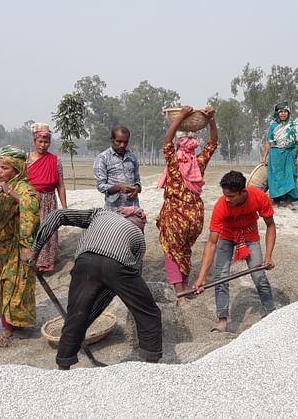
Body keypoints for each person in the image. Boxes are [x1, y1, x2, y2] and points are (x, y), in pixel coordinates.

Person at [24, 207, 162, 370]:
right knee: (148, 312)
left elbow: (58, 214)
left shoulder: (101, 213)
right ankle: (152, 365)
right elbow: (121, 285)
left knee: (75, 316)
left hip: (86, 260)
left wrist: (35, 251)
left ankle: (63, 364)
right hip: (117, 265)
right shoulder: (139, 237)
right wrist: (92, 314)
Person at [193, 171, 276, 333]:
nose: (227, 199)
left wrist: (268, 256)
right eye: (225, 195)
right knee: (221, 276)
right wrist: (201, 277)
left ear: (242, 192)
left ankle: (271, 312)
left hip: (250, 235)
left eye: (231, 196)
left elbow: (271, 226)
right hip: (227, 235)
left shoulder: (258, 197)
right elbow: (211, 243)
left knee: (259, 275)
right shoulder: (221, 206)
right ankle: (222, 320)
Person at [156, 105, 218, 303]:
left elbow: (166, 141)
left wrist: (181, 116)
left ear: (179, 147)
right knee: (184, 251)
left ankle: (180, 294)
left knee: (172, 251)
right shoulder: (198, 164)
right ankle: (185, 288)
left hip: (175, 215)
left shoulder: (174, 164)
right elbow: (213, 143)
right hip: (194, 218)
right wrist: (211, 120)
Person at [0, 145, 41, 345]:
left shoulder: (24, 188)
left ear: (17, 169)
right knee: (0, 287)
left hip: (17, 248)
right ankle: (12, 323)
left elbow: (31, 207)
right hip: (0, 248)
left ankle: (10, 330)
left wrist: (11, 193)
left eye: (5, 168)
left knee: (14, 285)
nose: (0, 171)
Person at [27, 122, 67, 272]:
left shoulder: (55, 161)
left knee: (47, 231)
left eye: (46, 142)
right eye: (40, 141)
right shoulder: (26, 159)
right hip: (29, 201)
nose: (43, 145)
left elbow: (60, 185)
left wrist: (65, 208)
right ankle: (30, 260)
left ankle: (45, 263)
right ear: (34, 141)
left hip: (49, 201)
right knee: (31, 230)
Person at [261, 102, 298, 209]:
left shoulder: (295, 126)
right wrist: (264, 157)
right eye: (281, 111)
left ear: (288, 113)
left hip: (290, 154)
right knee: (275, 177)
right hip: (275, 155)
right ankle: (276, 200)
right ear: (277, 113)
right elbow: (268, 142)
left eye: (285, 111)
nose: (283, 114)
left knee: (290, 176)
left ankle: (288, 201)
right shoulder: (273, 126)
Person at [93, 126, 141, 210]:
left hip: (133, 209)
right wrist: (119, 187)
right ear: (112, 140)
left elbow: (137, 181)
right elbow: (100, 186)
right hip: (113, 210)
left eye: (125, 142)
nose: (122, 145)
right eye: (119, 141)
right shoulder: (103, 158)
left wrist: (137, 188)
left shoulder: (133, 158)